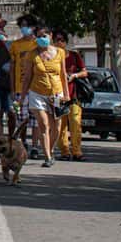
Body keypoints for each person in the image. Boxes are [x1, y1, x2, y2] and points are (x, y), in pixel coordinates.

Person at [18, 26, 69, 168]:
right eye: (39, 36)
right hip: (37, 93)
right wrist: (22, 97)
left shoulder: (60, 52)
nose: (42, 39)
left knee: (57, 126)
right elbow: (27, 77)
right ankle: (47, 157)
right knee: (44, 125)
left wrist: (66, 95)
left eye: (44, 36)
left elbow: (63, 75)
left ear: (50, 36)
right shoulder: (31, 55)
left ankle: (50, 149)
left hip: (57, 93)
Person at [54, 31, 87, 161]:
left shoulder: (74, 56)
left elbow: (85, 72)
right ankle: (64, 151)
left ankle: (77, 151)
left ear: (66, 42)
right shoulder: (51, 56)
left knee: (75, 123)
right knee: (60, 125)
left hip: (73, 95)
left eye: (61, 40)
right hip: (58, 95)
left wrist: (74, 75)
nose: (59, 42)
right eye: (56, 40)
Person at [10, 14, 40, 157]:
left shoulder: (38, 44)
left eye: (27, 25)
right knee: (21, 119)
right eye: (22, 26)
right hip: (19, 88)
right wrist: (11, 89)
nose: (24, 28)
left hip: (36, 88)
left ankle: (35, 146)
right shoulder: (16, 45)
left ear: (33, 27)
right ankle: (23, 143)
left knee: (35, 120)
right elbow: (12, 68)